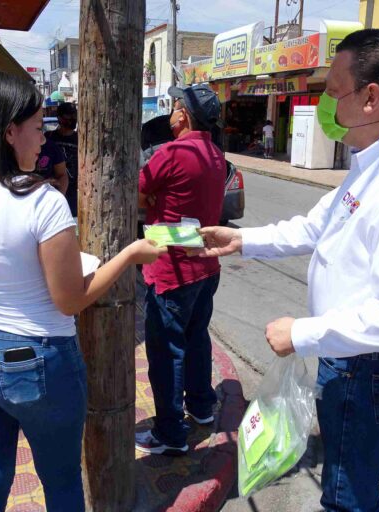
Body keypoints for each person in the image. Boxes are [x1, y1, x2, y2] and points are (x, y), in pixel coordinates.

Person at [194, 29, 379, 511]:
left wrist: (303, 333)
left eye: (333, 90)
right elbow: (318, 225)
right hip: (354, 353)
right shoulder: (378, 162)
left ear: (370, 97)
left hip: (372, 365)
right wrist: (243, 239)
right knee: (345, 482)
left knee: (347, 494)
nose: (325, 103)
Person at [0, 71, 164, 510]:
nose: (43, 141)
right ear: (9, 132)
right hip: (35, 363)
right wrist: (128, 256)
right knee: (62, 482)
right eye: (37, 128)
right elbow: (68, 300)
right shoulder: (41, 201)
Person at [134, 83, 226, 456]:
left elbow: (137, 193)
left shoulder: (172, 153)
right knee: (196, 338)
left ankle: (170, 434)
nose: (170, 113)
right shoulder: (216, 153)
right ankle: (202, 408)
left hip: (171, 270)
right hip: (206, 264)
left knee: (166, 352)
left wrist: (155, 198)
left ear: (184, 115)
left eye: (173, 106)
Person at [45, 102, 79, 216]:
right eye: (69, 117)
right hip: (52, 192)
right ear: (60, 118)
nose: (72, 120)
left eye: (75, 116)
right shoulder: (49, 137)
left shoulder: (81, 139)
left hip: (75, 194)